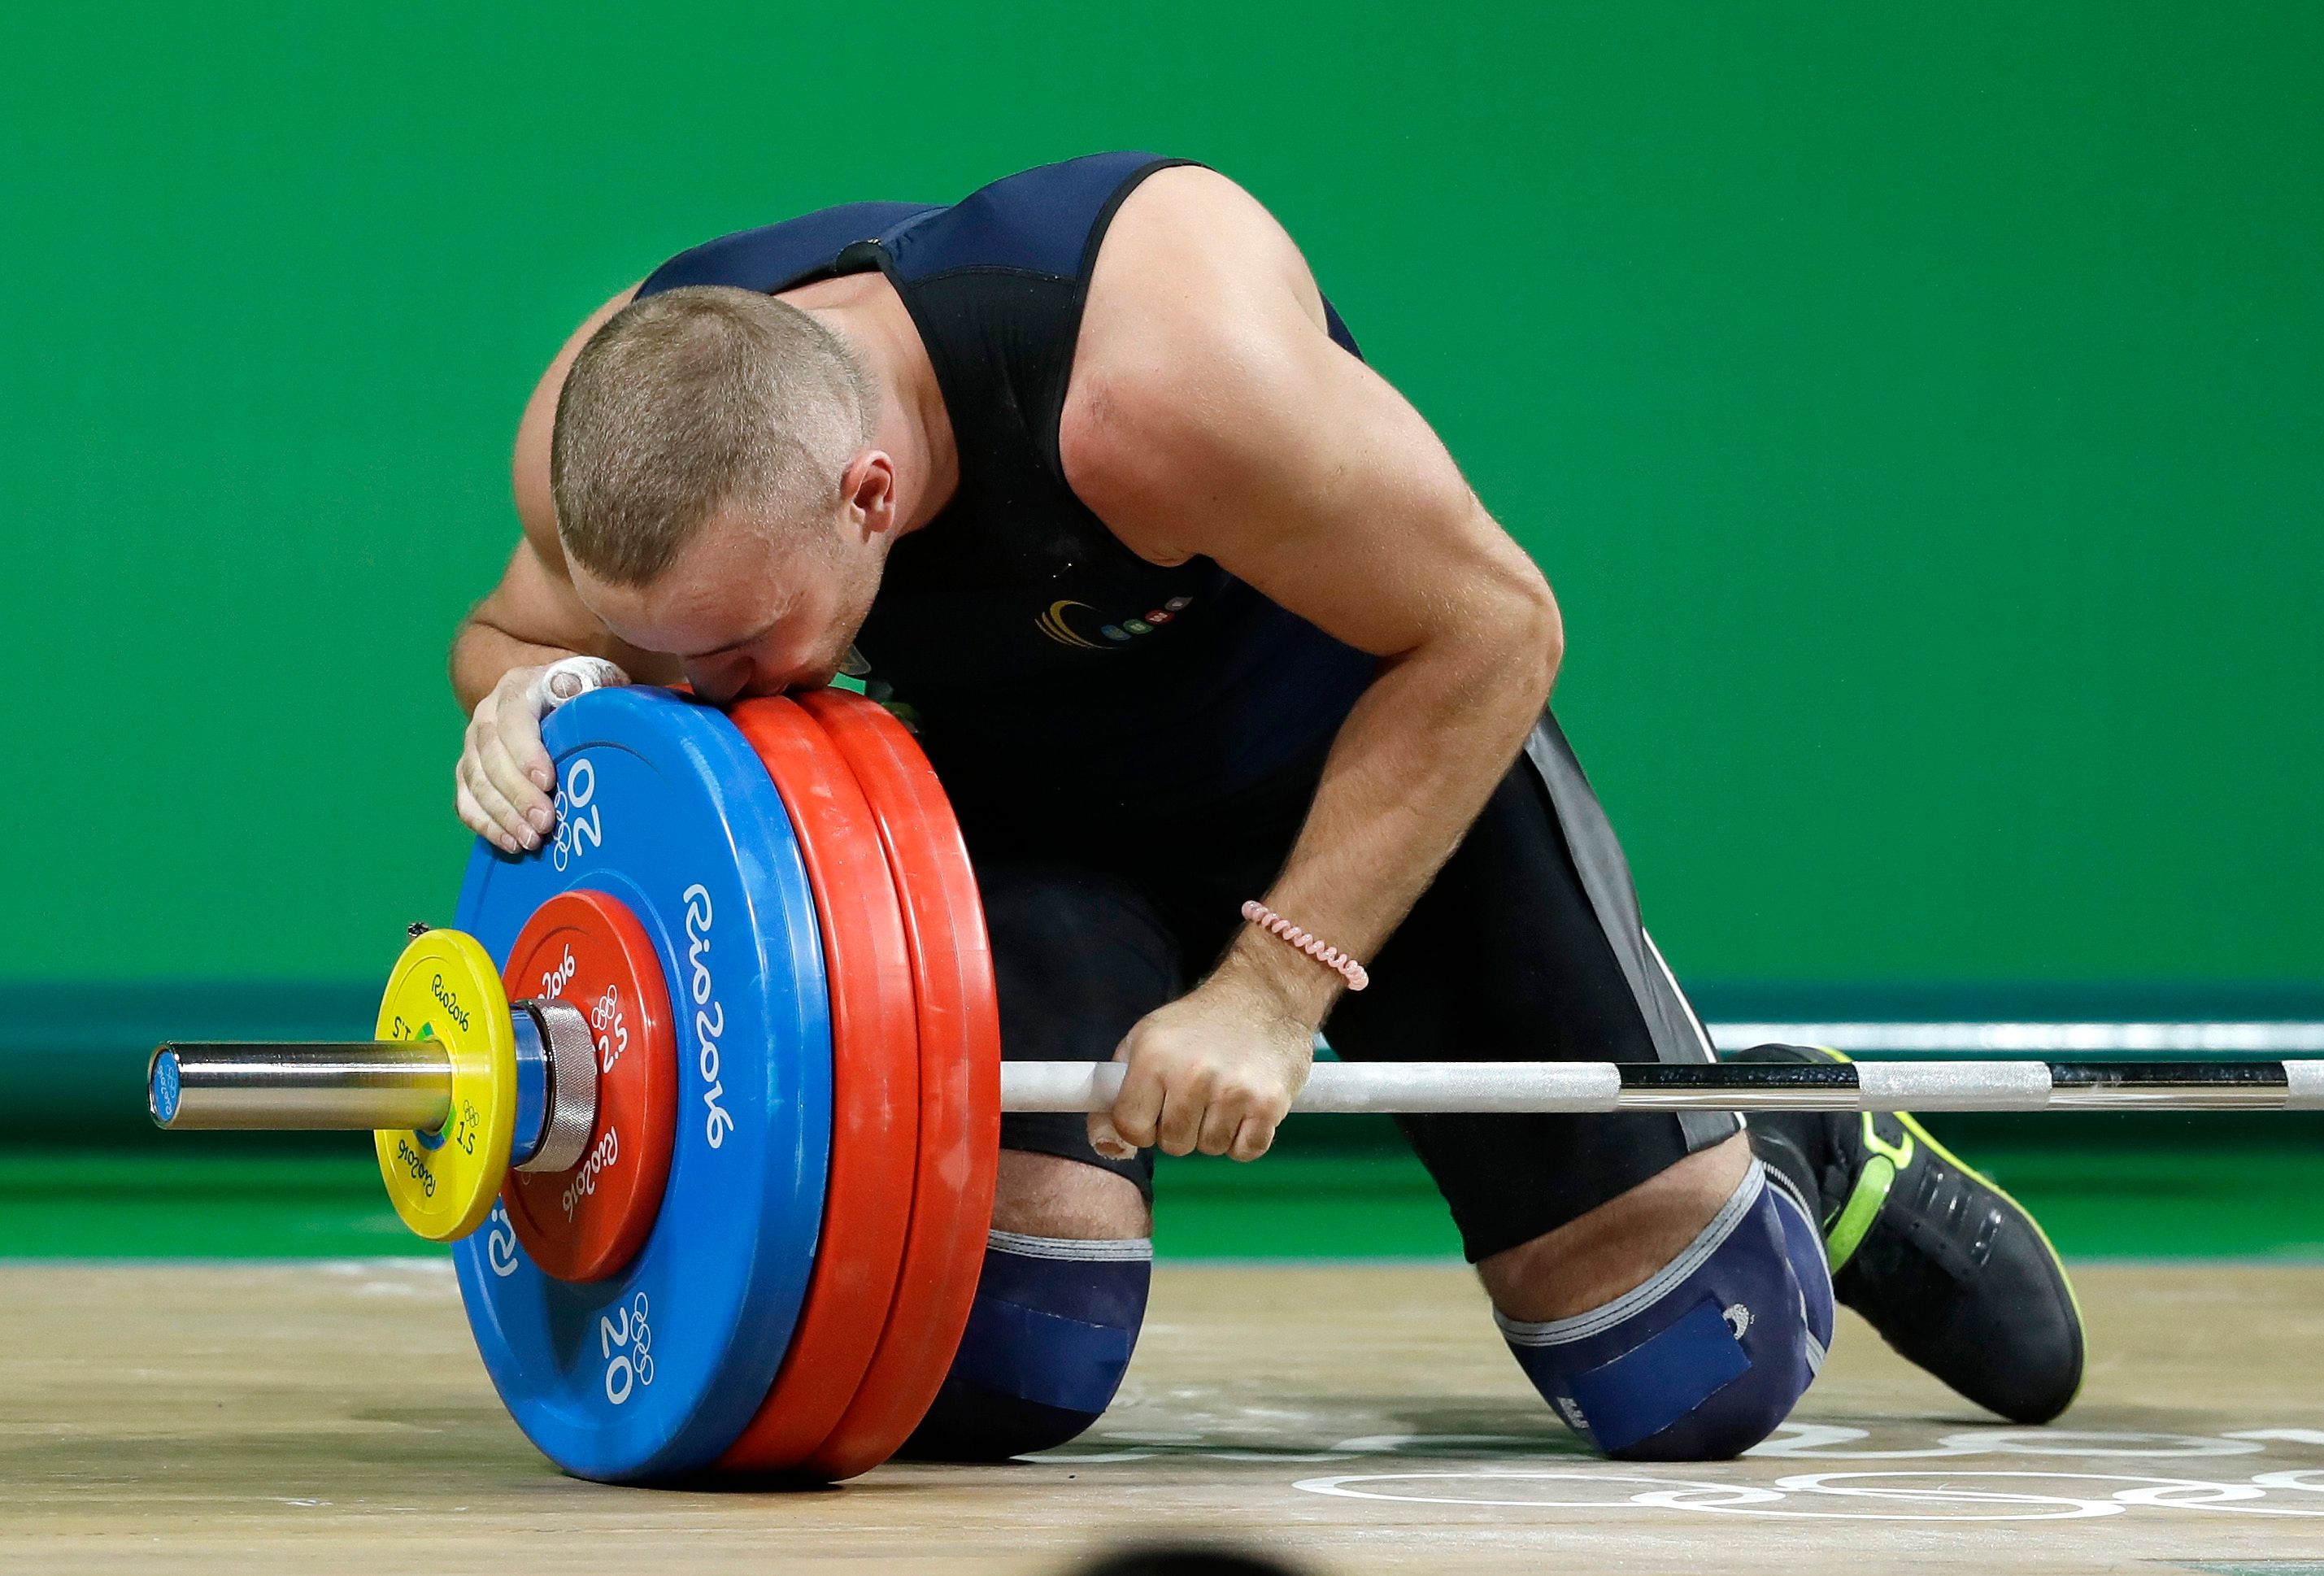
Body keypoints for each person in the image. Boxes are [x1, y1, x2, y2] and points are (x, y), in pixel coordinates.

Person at [448, 152, 2083, 1462]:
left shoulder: (1150, 379)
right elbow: (518, 636)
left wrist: (1274, 981)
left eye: (732, 652)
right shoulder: (624, 417)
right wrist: (530, 703)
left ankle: (1797, 1131)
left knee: (1691, 1372)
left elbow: (1493, 625)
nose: (693, 691)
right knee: (1004, 1369)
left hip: (1363, 758)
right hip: (1031, 822)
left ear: (871, 493)